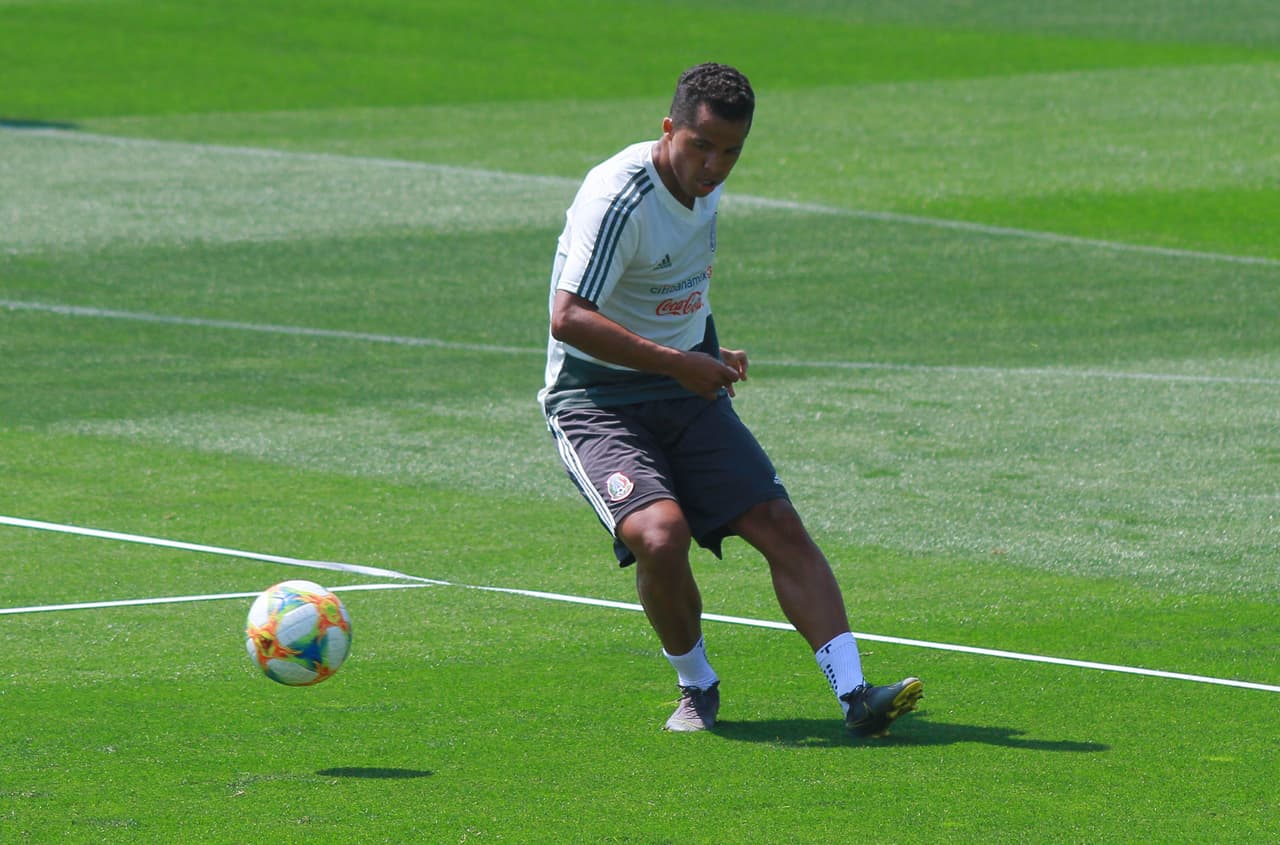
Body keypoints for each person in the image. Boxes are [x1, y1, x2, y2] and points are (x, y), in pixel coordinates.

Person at [538, 62, 922, 737]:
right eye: (701, 147)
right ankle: (696, 683)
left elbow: (683, 289)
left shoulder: (704, 191)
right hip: (596, 398)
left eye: (731, 152)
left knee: (777, 520)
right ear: (669, 130)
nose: (714, 166)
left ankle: (857, 694)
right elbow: (568, 317)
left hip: (686, 385)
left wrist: (706, 354)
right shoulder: (618, 195)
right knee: (660, 535)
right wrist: (679, 364)